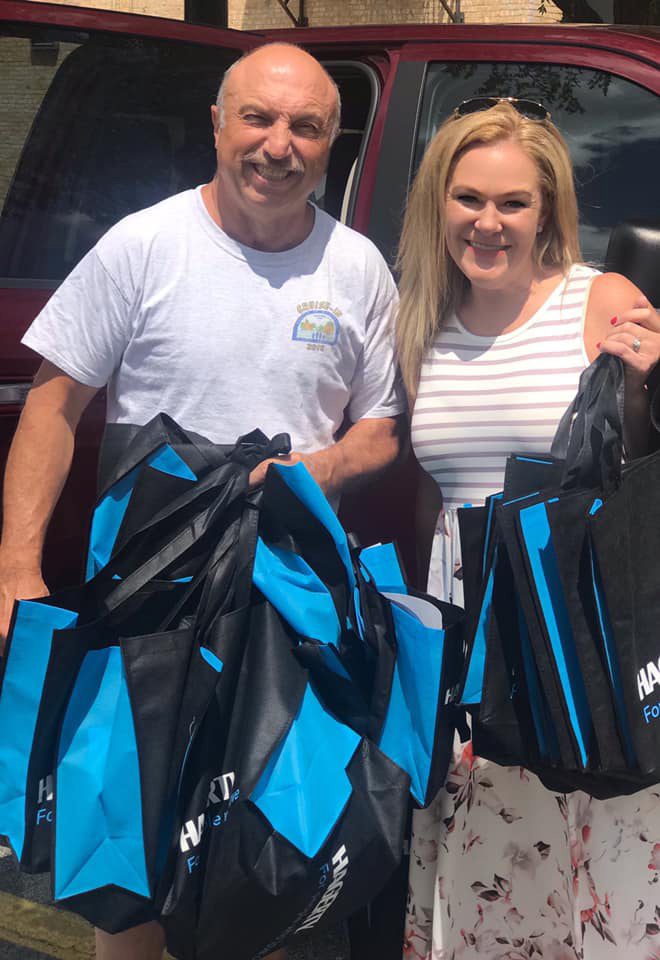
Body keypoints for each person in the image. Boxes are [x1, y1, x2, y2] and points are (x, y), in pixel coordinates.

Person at [0, 42, 405, 960]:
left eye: (306, 126)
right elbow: (53, 405)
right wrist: (16, 568)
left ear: (331, 142)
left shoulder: (357, 267)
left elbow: (379, 429)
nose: (279, 144)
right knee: (131, 871)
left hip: (290, 610)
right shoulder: (146, 246)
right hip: (152, 604)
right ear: (218, 124)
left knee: (272, 860)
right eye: (258, 118)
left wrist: (306, 474)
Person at [395, 98, 660, 959]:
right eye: (468, 198)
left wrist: (648, 383)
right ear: (440, 203)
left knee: (593, 866)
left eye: (512, 202)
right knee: (494, 882)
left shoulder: (597, 297)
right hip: (462, 636)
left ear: (546, 211)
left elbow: (638, 460)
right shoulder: (419, 320)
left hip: (569, 630)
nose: (488, 222)